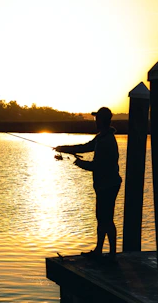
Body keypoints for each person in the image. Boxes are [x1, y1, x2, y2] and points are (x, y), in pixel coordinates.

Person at [54, 107, 122, 261]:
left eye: (97, 119)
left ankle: (111, 253)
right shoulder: (101, 138)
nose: (95, 121)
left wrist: (77, 162)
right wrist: (63, 149)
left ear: (102, 120)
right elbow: (84, 147)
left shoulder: (106, 141)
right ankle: (100, 250)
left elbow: (96, 166)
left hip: (109, 185)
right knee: (102, 217)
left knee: (106, 218)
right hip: (104, 184)